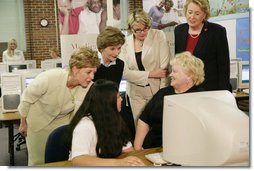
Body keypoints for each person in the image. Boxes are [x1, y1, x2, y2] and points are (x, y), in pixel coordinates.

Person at [18, 47, 100, 166]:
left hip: (62, 125)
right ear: (75, 69)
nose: (92, 77)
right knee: (38, 162)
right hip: (38, 123)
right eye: (88, 72)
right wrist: (23, 123)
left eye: (94, 72)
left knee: (59, 162)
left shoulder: (88, 87)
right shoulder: (49, 78)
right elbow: (26, 99)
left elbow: (80, 113)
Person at [134, 51, 205, 150]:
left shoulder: (199, 98)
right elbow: (144, 120)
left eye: (175, 71)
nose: (170, 74)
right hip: (150, 149)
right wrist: (137, 149)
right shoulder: (162, 93)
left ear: (190, 76)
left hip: (181, 151)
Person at [66, 79, 145, 166]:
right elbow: (78, 160)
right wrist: (117, 163)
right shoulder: (85, 125)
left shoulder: (114, 120)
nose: (121, 99)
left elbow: (128, 150)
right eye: (118, 97)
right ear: (107, 102)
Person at [119, 9, 171, 125]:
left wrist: (162, 94)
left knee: (157, 128)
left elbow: (164, 68)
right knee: (140, 130)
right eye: (137, 30)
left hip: (156, 90)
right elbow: (125, 73)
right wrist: (151, 74)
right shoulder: (125, 43)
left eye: (145, 28)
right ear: (130, 28)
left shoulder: (158, 36)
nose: (142, 32)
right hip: (135, 93)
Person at [174, 0, 231, 91]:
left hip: (209, 88)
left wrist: (224, 91)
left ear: (204, 15)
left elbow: (223, 65)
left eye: (197, 13)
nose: (192, 17)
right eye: (190, 12)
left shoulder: (217, 31)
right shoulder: (179, 30)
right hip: (184, 88)